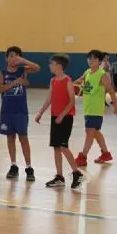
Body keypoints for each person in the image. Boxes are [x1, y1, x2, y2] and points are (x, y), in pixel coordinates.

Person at [35, 54, 84, 189]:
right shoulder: (53, 81)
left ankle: (76, 173)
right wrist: (40, 113)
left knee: (63, 146)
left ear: (59, 66)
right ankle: (59, 177)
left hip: (65, 117)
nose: (50, 66)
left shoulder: (68, 81)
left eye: (52, 63)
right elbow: (49, 99)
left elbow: (71, 101)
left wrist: (62, 115)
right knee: (56, 147)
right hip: (55, 117)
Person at [0, 46, 40, 181]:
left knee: (23, 138)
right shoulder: (3, 72)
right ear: (6, 58)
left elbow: (37, 67)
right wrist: (15, 82)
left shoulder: (23, 70)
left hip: (20, 111)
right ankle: (13, 165)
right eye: (10, 56)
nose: (12, 58)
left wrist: (22, 60)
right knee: (10, 138)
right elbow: (0, 89)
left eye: (15, 56)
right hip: (7, 111)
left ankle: (29, 167)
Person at [74, 50, 117, 167]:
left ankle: (82, 157)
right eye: (89, 58)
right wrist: (71, 84)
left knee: (90, 132)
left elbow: (110, 90)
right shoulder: (87, 72)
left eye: (94, 59)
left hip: (96, 109)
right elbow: (78, 81)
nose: (91, 61)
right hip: (88, 108)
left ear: (99, 61)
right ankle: (105, 153)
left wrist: (116, 105)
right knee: (94, 132)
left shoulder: (102, 74)